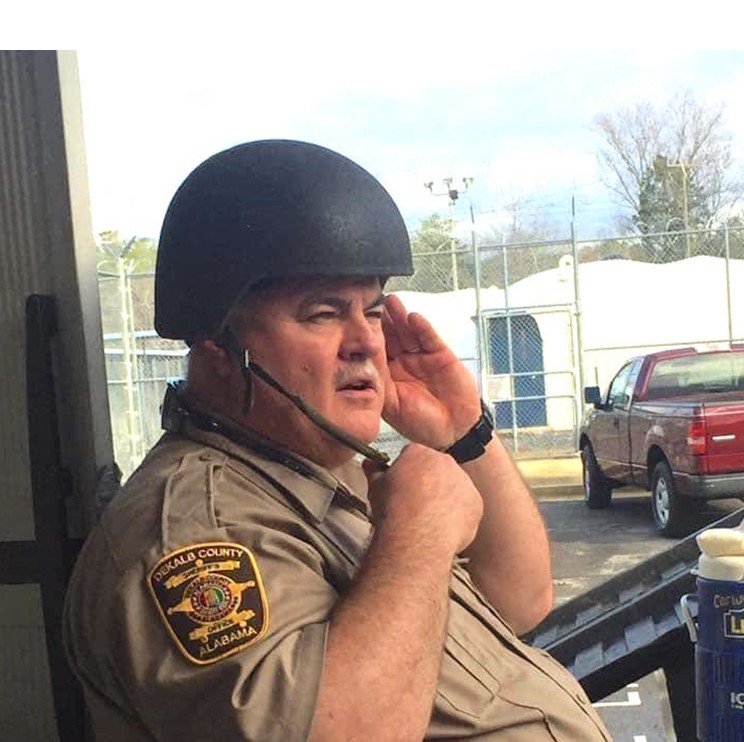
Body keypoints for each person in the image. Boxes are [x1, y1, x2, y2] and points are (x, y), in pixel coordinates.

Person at [63, 139, 612, 741]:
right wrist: (421, 534)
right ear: (217, 346)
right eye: (322, 314)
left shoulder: (321, 474)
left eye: (372, 313)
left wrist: (464, 434)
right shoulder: (196, 531)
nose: (367, 342)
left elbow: (521, 598)